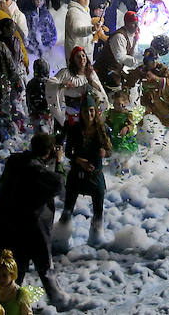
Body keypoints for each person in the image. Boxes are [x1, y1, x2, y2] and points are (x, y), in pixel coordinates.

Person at [0, 132, 68, 308]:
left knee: (15, 267)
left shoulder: (16, 161)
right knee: (41, 265)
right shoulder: (36, 170)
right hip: (31, 226)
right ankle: (56, 300)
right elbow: (59, 184)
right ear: (49, 151)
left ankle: (4, 303)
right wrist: (58, 163)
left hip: (7, 222)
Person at [59, 94, 112, 244]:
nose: (89, 114)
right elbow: (68, 151)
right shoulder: (74, 129)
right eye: (85, 111)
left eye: (91, 110)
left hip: (95, 176)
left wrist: (105, 152)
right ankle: (60, 239)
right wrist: (79, 160)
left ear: (95, 111)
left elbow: (109, 150)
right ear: (80, 113)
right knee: (67, 209)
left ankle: (96, 240)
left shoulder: (103, 129)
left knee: (98, 211)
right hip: (77, 174)